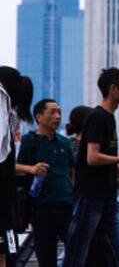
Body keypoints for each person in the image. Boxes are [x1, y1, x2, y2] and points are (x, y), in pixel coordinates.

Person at [63, 68, 119, 267]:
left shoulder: (108, 117)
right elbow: (92, 158)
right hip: (90, 198)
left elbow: (98, 158)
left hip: (107, 198)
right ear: (113, 89)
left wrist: (118, 167)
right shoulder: (98, 117)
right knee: (77, 256)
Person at [16, 99, 75, 267]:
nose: (57, 116)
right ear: (39, 117)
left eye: (59, 112)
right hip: (42, 206)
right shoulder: (30, 140)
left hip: (66, 204)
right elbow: (14, 166)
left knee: (76, 249)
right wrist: (32, 169)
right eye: (52, 112)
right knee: (46, 254)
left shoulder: (65, 142)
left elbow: (73, 170)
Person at [0, 67, 33, 267]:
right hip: (5, 187)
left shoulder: (2, 100)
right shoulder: (8, 108)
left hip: (3, 185)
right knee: (4, 246)